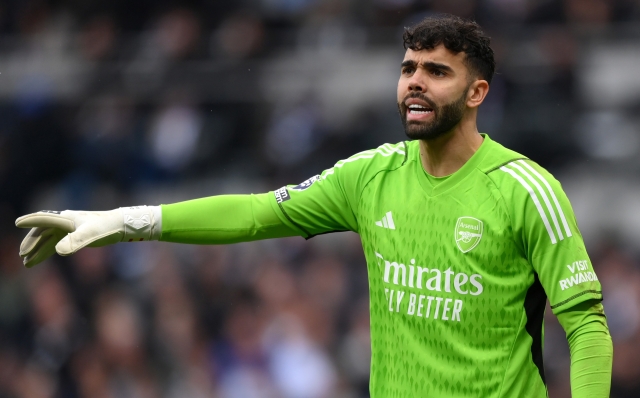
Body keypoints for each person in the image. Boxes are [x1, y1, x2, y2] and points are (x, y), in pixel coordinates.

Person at [16, 14, 612, 397]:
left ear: (478, 92)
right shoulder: (370, 176)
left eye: (437, 71)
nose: (415, 83)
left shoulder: (525, 189)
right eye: (408, 69)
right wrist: (126, 222)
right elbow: (254, 213)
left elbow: (587, 327)